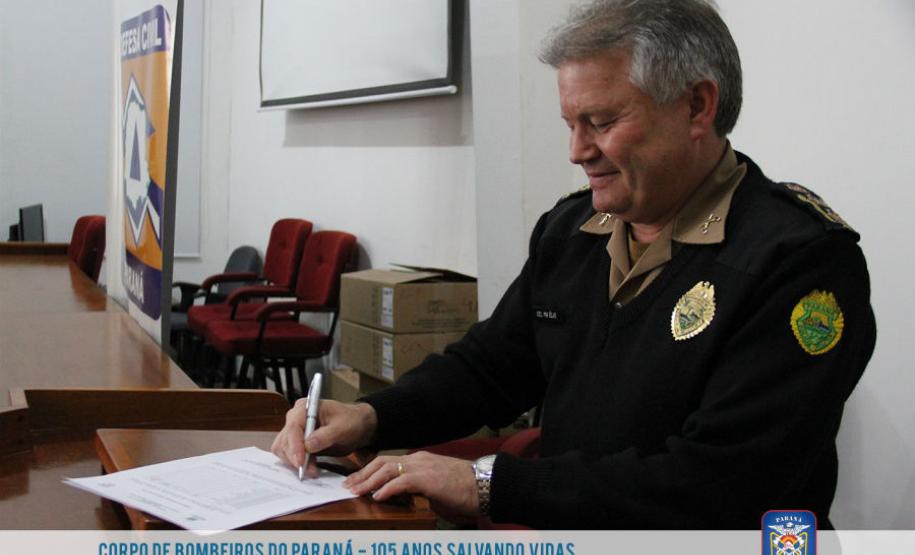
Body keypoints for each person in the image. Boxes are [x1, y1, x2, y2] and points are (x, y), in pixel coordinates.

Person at [272, 0, 876, 529]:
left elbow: (723, 482)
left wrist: (490, 485)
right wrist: (372, 416)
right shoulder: (572, 230)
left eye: (602, 122)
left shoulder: (800, 262)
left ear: (697, 106)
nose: (577, 152)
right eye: (570, 124)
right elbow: (492, 367)